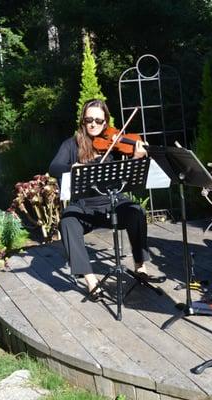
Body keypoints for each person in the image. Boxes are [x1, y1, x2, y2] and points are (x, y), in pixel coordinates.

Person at [49, 99, 161, 299]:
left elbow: (128, 174)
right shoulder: (71, 144)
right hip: (84, 207)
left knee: (136, 211)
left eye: (98, 121)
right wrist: (72, 168)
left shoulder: (114, 141)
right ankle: (91, 281)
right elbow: (54, 167)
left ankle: (140, 266)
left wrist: (137, 157)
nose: (93, 124)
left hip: (112, 202)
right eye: (89, 119)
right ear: (83, 121)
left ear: (105, 123)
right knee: (67, 222)